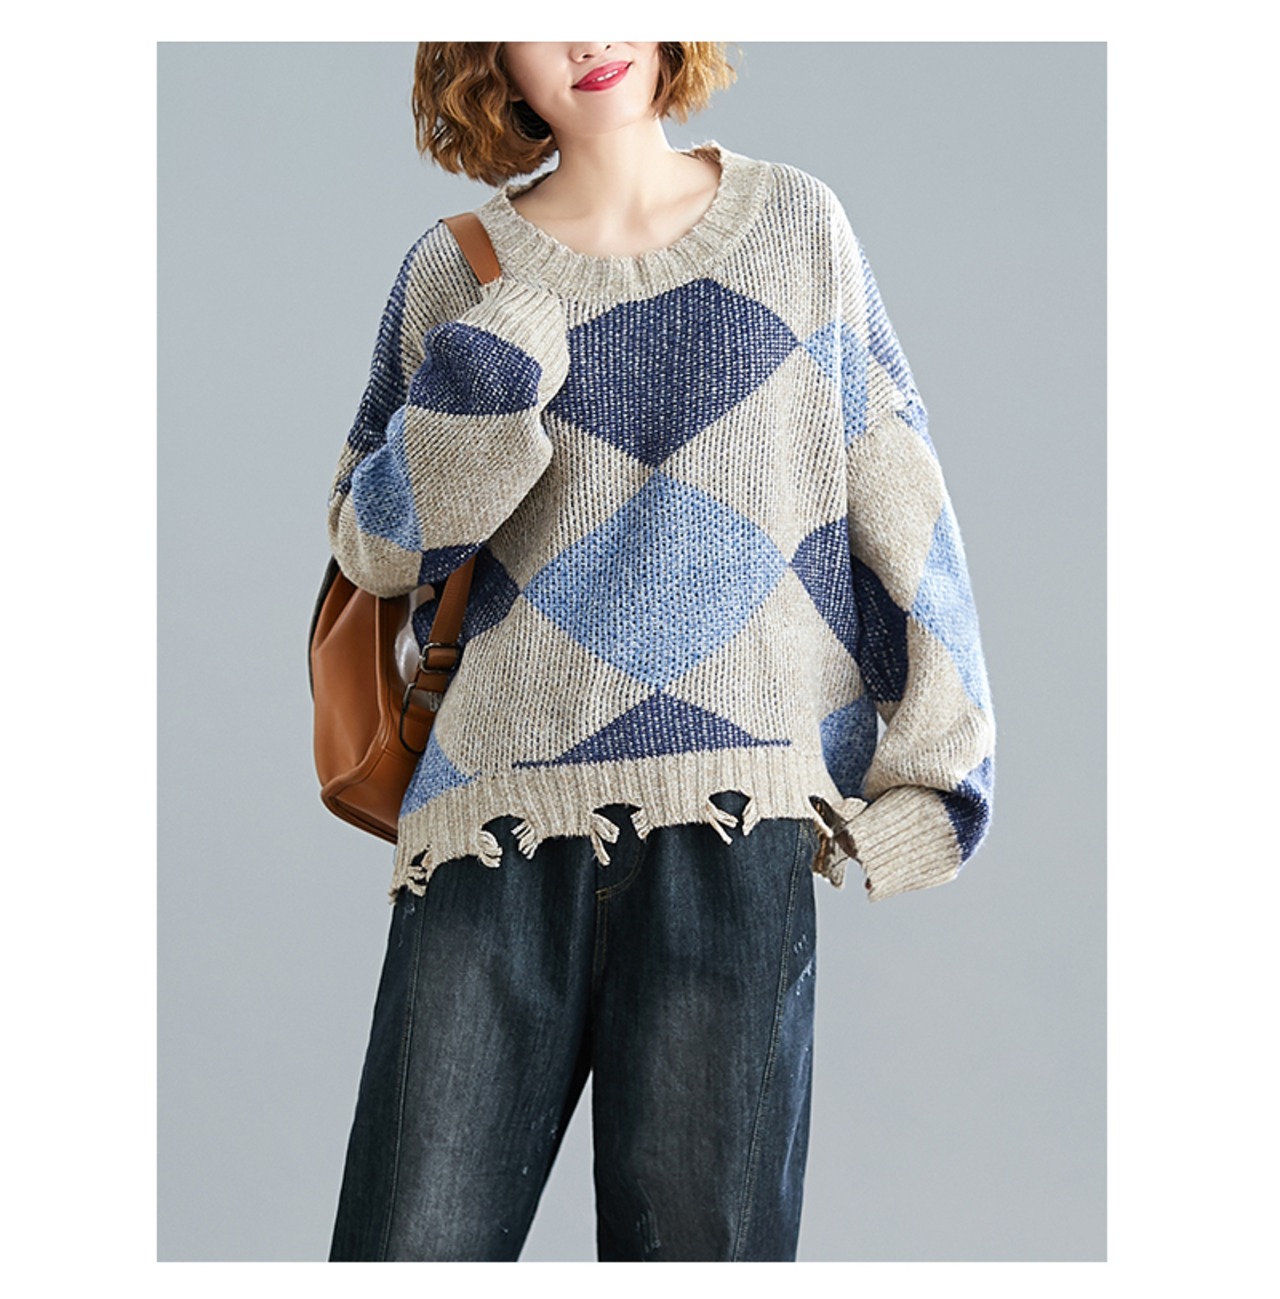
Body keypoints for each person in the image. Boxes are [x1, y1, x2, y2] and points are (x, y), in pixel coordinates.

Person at [325, 41, 996, 1263]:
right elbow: (374, 548)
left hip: (731, 828)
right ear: (487, 58)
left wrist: (937, 781)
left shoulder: (796, 225)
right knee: (406, 1251)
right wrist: (482, 388)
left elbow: (896, 487)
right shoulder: (453, 268)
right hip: (494, 826)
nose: (588, 35)